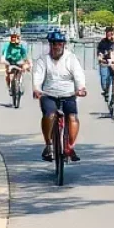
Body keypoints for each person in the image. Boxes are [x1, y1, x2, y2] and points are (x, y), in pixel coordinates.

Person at [32, 28, 87, 162]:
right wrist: (37, 89)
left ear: (63, 45)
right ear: (50, 45)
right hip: (48, 94)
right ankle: (48, 145)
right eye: (54, 43)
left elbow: (78, 74)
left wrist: (81, 88)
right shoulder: (43, 60)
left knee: (72, 117)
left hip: (68, 94)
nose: (57, 46)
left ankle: (70, 146)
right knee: (49, 115)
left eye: (59, 43)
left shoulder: (71, 58)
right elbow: (37, 76)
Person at [96, 26, 114, 99]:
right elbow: (99, 52)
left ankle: (113, 96)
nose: (110, 33)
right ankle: (106, 91)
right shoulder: (102, 42)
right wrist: (100, 57)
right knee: (104, 79)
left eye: (111, 32)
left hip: (113, 63)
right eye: (108, 32)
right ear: (106, 33)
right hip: (104, 62)